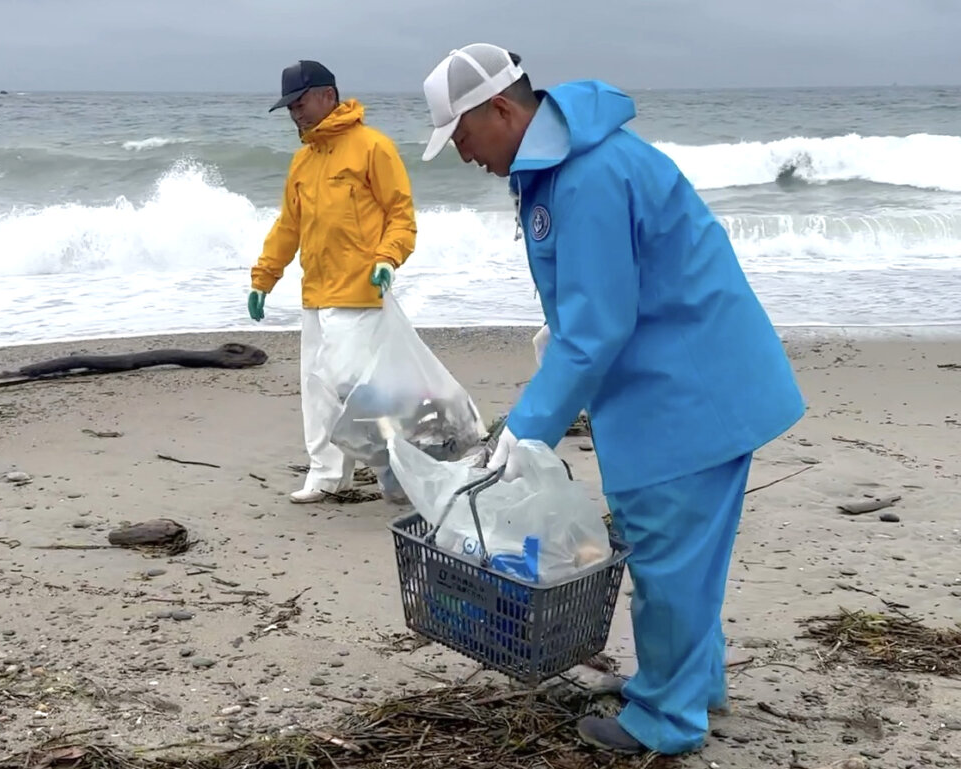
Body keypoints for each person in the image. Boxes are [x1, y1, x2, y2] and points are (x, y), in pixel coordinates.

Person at [420, 44, 806, 756]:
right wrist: (562, 333)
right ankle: (695, 681)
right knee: (689, 557)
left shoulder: (588, 174)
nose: (462, 154)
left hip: (687, 393)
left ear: (501, 109)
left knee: (664, 554)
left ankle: (665, 717)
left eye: (463, 135)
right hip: (695, 375)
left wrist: (528, 428)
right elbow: (599, 301)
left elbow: (599, 327)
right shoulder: (570, 160)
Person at [250, 59, 417, 504]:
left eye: (300, 102)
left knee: (349, 383)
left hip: (360, 290)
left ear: (327, 94)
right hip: (316, 293)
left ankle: (393, 465)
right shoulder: (303, 161)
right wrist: (263, 278)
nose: (295, 113)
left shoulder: (372, 147)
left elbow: (401, 215)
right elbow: (289, 226)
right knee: (317, 388)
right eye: (288, 106)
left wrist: (388, 258)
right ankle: (326, 474)